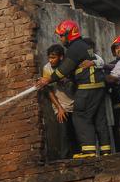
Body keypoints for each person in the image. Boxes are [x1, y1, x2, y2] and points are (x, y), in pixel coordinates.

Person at [36, 20, 112, 158]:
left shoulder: (74, 48)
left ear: (68, 34)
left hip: (87, 87)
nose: (61, 39)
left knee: (80, 115)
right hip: (99, 87)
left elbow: (64, 69)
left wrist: (48, 79)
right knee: (100, 119)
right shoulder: (84, 45)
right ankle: (106, 151)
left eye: (61, 35)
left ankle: (89, 152)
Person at [42, 44, 77, 160]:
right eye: (49, 57)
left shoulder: (68, 66)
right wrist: (59, 108)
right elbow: (49, 91)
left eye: (53, 57)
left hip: (76, 104)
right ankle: (65, 160)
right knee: (64, 133)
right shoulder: (47, 68)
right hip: (61, 106)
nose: (50, 60)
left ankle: (79, 156)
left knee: (76, 133)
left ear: (61, 57)